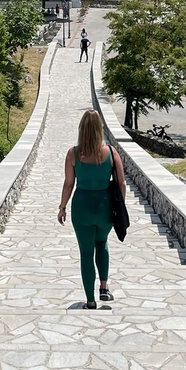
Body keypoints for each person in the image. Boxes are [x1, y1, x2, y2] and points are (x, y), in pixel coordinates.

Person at [57, 109, 126, 309]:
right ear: (100, 129)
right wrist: (120, 204)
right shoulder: (112, 153)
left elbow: (68, 183)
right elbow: (121, 183)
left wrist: (62, 207)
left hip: (82, 207)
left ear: (81, 129)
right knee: (102, 242)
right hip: (105, 207)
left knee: (86, 253)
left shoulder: (73, 154)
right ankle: (104, 288)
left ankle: (90, 300)